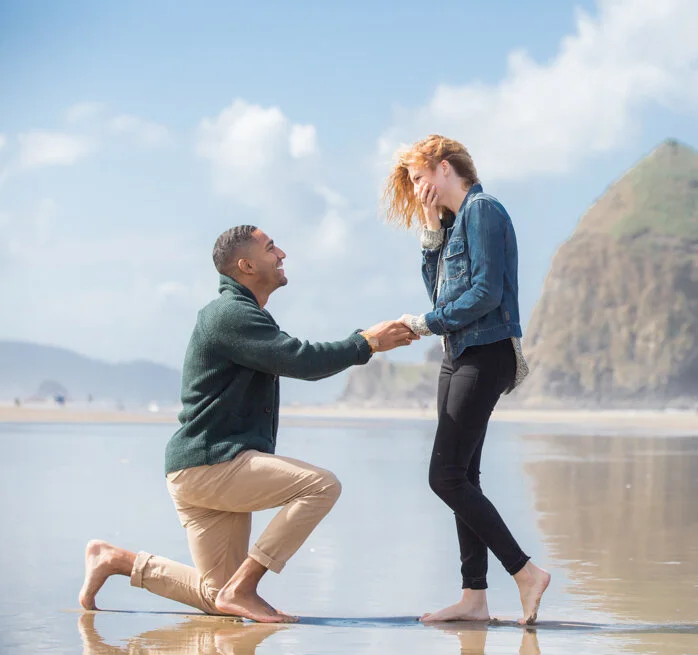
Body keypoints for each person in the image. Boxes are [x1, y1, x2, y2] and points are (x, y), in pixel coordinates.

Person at [78, 225, 418, 623]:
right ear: (246, 265)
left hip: (199, 468)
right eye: (271, 247)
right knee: (322, 486)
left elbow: (293, 355)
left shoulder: (249, 315)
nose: (282, 254)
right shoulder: (229, 315)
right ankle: (246, 586)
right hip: (211, 465)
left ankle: (115, 560)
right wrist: (367, 342)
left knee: (216, 597)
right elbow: (300, 360)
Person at [382, 134, 550, 625]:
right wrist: (432, 231)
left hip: (486, 352)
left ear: (443, 167)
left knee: (445, 476)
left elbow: (484, 293)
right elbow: (441, 296)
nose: (415, 190)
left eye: (417, 178)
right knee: (464, 477)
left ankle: (525, 572)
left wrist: (421, 324)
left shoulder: (485, 211)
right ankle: (473, 597)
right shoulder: (456, 224)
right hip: (458, 353)